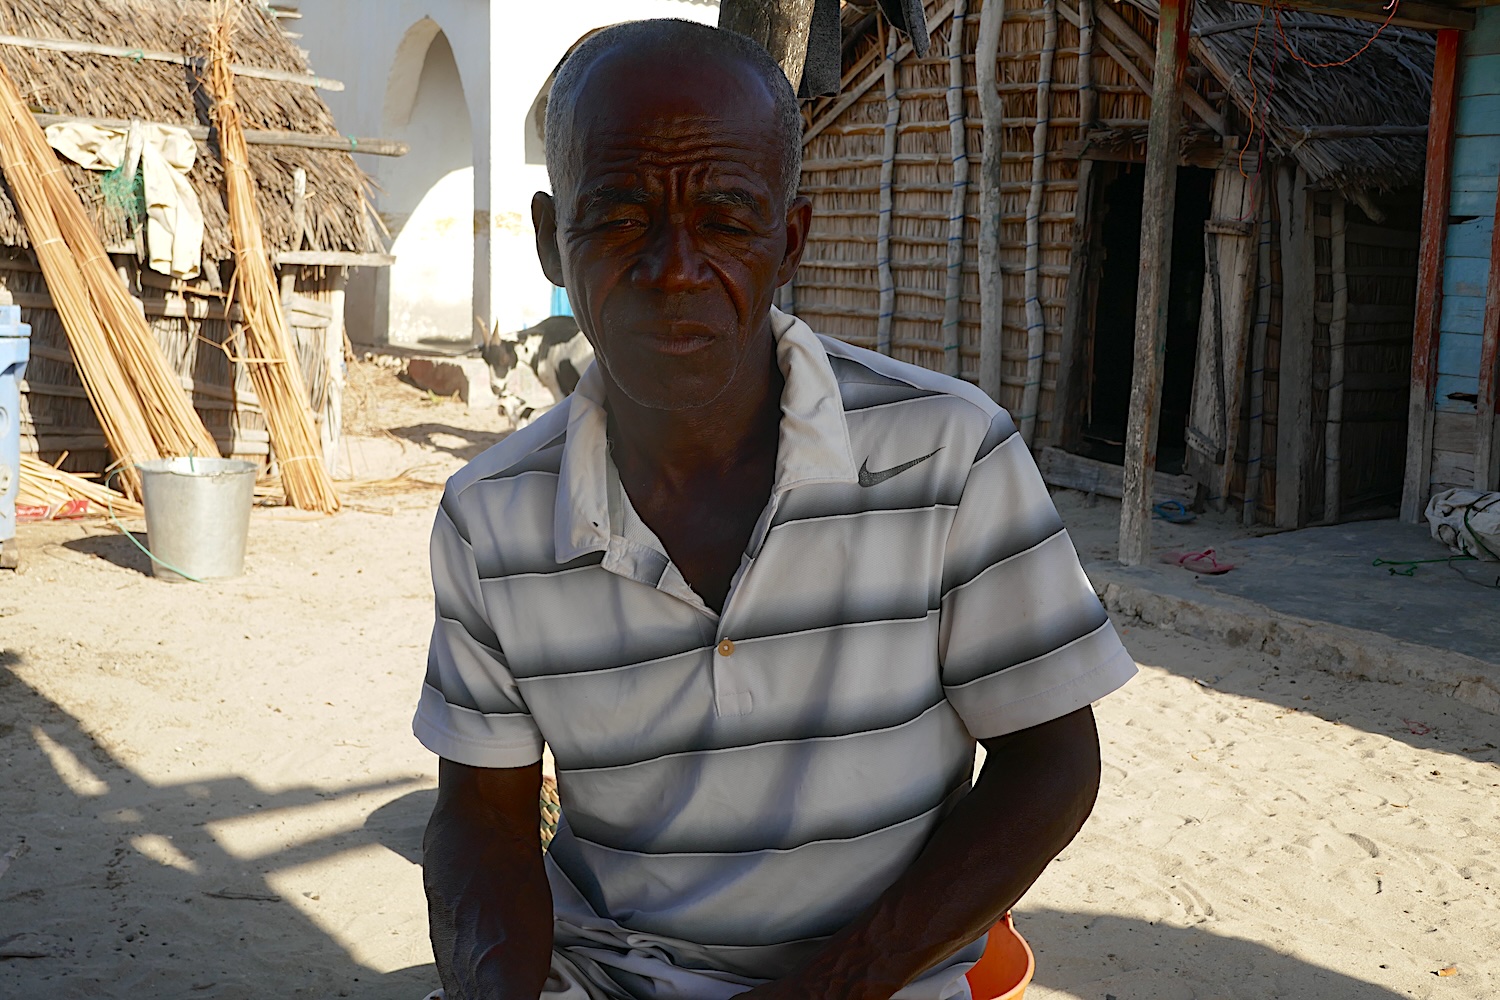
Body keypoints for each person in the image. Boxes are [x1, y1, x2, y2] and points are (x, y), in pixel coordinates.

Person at [414, 18, 1135, 1000]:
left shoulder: (950, 455)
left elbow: (1051, 761)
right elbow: (484, 818)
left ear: (788, 240)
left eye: (726, 219)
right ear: (551, 238)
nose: (674, 269)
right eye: (620, 215)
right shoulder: (489, 518)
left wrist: (837, 985)